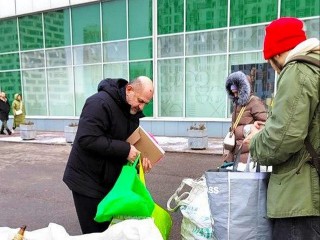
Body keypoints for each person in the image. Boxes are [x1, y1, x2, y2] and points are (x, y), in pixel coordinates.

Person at [244, 17, 320, 239]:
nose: (273, 68)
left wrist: (256, 140)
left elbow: (282, 139)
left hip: (299, 199)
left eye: (269, 60)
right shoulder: (315, 67)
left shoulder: (297, 70)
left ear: (277, 53)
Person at [63, 76, 154, 234]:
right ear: (129, 89)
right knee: (94, 233)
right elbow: (87, 139)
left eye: (146, 103)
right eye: (140, 101)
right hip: (87, 181)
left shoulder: (131, 111)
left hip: (110, 181)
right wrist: (125, 150)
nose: (141, 107)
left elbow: (129, 142)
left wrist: (142, 159)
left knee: (110, 232)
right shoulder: (99, 103)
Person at [223, 71, 267, 163]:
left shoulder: (255, 102)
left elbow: (265, 126)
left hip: (249, 154)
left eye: (237, 92)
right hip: (237, 151)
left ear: (243, 89)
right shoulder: (237, 104)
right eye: (233, 93)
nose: (235, 95)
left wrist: (246, 129)